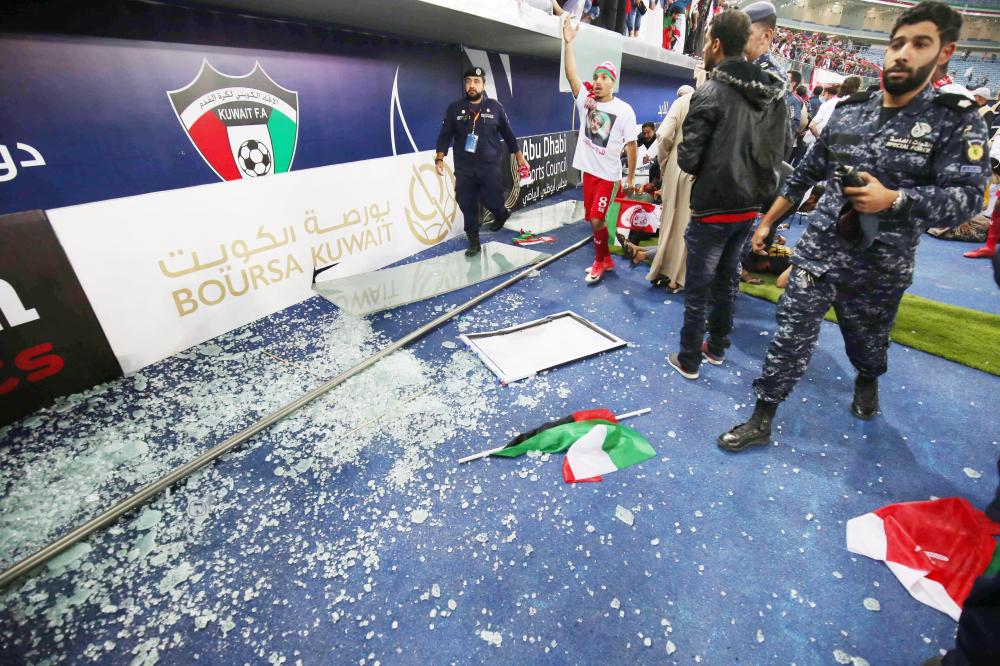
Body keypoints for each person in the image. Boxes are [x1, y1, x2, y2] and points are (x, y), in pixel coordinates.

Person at [718, 1, 989, 451]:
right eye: (897, 43)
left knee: (867, 342)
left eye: (920, 43)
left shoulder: (955, 119)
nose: (902, 53)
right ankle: (762, 414)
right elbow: (806, 172)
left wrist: (896, 200)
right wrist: (767, 223)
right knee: (791, 331)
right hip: (821, 250)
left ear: (945, 52)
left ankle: (867, 377)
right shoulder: (851, 109)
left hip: (882, 264)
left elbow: (965, 201)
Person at [666, 8, 788, 379]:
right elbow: (780, 152)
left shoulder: (711, 92)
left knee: (700, 286)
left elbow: (688, 159)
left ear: (716, 44)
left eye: (706, 40)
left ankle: (689, 358)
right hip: (749, 207)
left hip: (714, 207)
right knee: (728, 279)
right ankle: (716, 349)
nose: (704, 47)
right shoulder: (773, 93)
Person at [562, 14, 638, 284]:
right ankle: (605, 256)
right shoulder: (587, 102)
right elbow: (572, 75)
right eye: (595, 77)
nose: (597, 81)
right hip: (588, 173)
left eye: (604, 77)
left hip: (608, 176)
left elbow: (631, 145)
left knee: (597, 219)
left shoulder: (624, 110)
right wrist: (568, 42)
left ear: (613, 82)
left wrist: (629, 179)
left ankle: (598, 262)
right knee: (592, 221)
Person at [435, 67, 529, 256]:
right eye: (468, 81)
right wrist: (439, 157)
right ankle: (474, 241)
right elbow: (445, 135)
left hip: (489, 167)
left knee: (492, 200)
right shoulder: (455, 108)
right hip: (464, 168)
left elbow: (508, 135)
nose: (472, 85)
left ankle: (501, 214)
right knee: (466, 203)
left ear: (483, 85)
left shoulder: (495, 107)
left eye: (476, 82)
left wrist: (519, 157)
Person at [646, 84, 695, 292]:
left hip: (675, 163)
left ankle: (660, 270)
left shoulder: (680, 103)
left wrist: (664, 163)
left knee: (668, 221)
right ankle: (678, 279)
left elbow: (664, 135)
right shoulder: (713, 102)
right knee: (687, 222)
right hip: (697, 168)